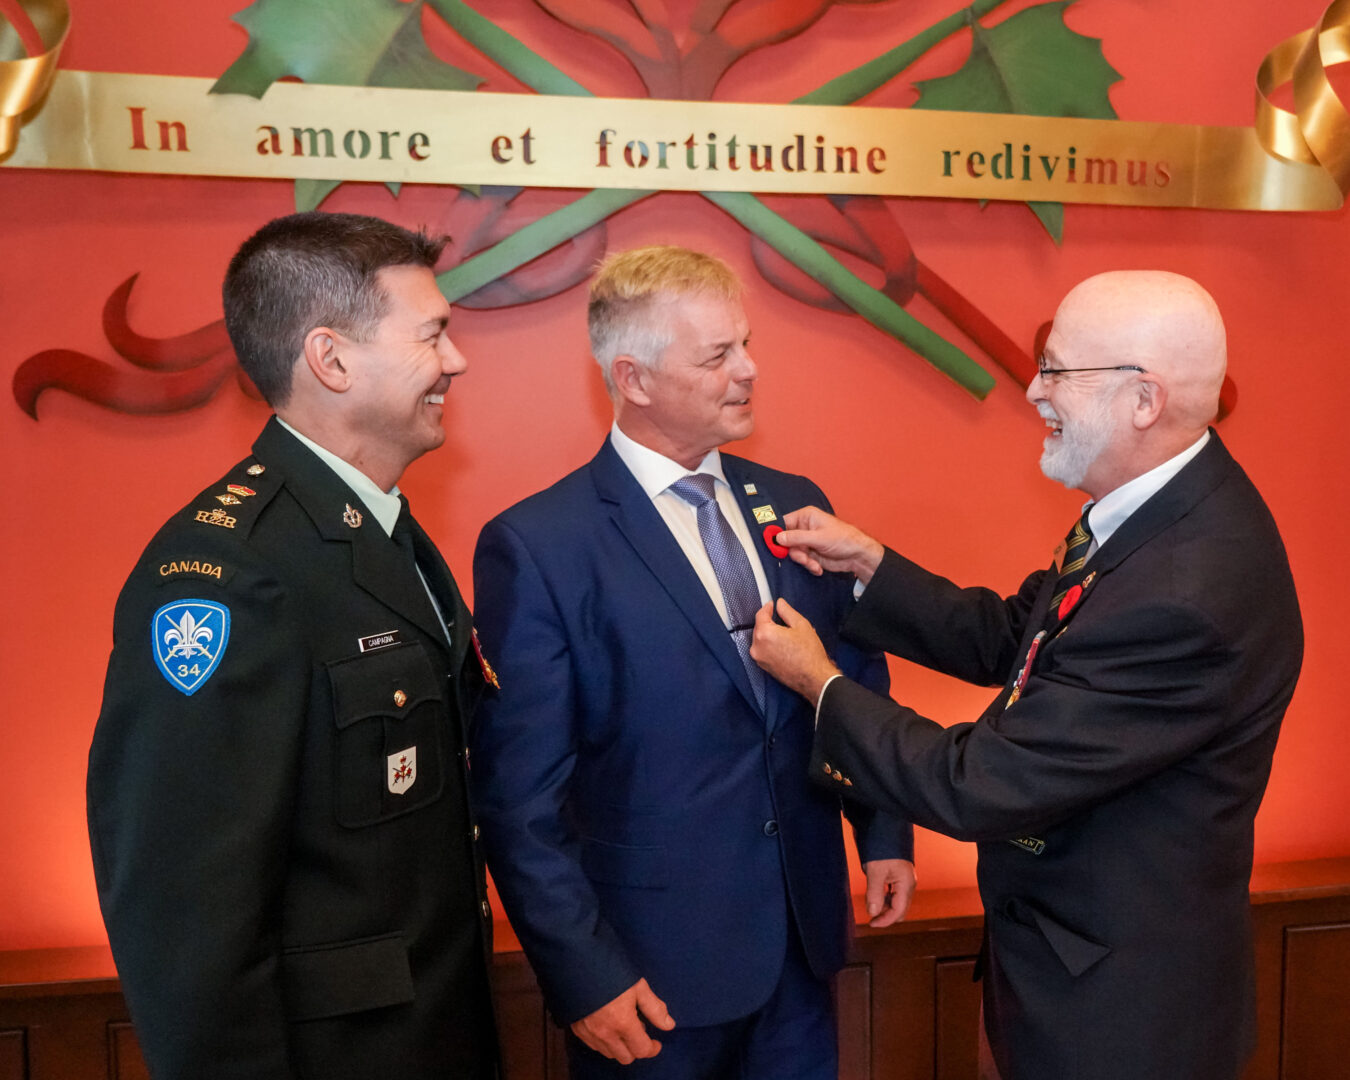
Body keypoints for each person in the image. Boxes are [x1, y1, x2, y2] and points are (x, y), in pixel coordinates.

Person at [750, 270, 1303, 1080]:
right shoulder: (1158, 510)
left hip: (1120, 1024)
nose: (1034, 391)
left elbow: (980, 785)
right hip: (1077, 980)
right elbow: (1019, 636)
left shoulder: (1186, 590)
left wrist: (822, 685)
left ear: (1142, 400)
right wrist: (870, 564)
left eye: (1057, 370)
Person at [470, 246, 915, 1079]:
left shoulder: (792, 500)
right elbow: (517, 797)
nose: (749, 370)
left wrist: (884, 828)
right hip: (648, 976)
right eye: (718, 356)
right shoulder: (540, 547)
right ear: (633, 378)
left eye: (745, 344)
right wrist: (583, 973)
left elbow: (852, 675)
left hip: (800, 943)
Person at [87, 212, 498, 1080]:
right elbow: (184, 912)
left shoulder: (381, 534)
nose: (456, 362)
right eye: (433, 335)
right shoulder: (228, 574)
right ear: (332, 358)